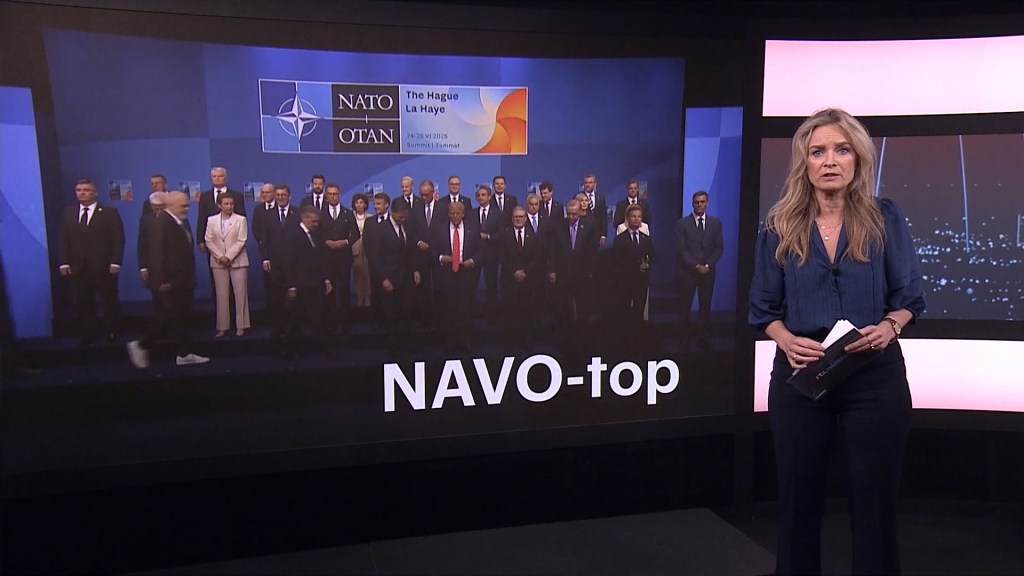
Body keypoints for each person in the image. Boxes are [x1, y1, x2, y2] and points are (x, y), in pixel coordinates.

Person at [749, 108, 926, 576]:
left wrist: (890, 327)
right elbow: (762, 309)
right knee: (798, 501)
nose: (830, 161)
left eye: (842, 150)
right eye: (818, 152)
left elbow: (910, 297)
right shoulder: (779, 225)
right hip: (802, 376)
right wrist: (786, 339)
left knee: (875, 504)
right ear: (804, 163)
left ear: (857, 159)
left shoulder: (885, 217)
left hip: (874, 377)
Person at [127, 191, 209, 367]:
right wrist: (163, 280)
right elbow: (157, 253)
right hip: (170, 282)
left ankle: (184, 353)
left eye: (187, 205)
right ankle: (142, 345)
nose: (187, 209)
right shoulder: (162, 222)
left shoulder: (180, 221)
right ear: (170, 205)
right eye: (183, 205)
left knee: (182, 318)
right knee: (171, 317)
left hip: (183, 280)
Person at [58, 178, 125, 345]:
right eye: (79, 190)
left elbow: (118, 239)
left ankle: (112, 332)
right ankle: (90, 333)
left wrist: (116, 262)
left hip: (104, 266)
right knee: (84, 302)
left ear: (95, 193)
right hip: (79, 267)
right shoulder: (69, 213)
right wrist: (64, 262)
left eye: (86, 190)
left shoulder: (109, 213)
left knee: (109, 301)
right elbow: (64, 239)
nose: (82, 193)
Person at [367, 199, 420, 352]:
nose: (403, 219)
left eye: (405, 217)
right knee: (391, 314)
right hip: (389, 279)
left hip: (406, 278)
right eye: (400, 217)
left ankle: (407, 345)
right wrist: (383, 278)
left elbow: (410, 251)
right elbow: (374, 257)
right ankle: (394, 347)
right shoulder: (380, 229)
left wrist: (415, 269)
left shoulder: (407, 226)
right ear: (393, 212)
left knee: (406, 311)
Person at [279, 206, 332, 357]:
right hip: (300, 284)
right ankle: (289, 351)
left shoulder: (315, 234)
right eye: (314, 221)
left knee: (317, 316)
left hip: (314, 283)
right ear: (304, 218)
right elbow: (288, 262)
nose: (316, 224)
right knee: (295, 319)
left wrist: (326, 279)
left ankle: (323, 350)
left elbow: (319, 259)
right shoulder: (293, 235)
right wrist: (291, 286)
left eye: (317, 222)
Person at [675, 190, 723, 348]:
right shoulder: (682, 224)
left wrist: (707, 265)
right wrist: (696, 266)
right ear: (692, 203)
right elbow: (681, 249)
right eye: (696, 202)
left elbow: (718, 248)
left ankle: (703, 338)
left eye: (702, 202)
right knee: (685, 306)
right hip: (688, 272)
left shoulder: (715, 224)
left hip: (708, 272)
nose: (699, 205)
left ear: (707, 203)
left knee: (705, 306)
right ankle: (683, 338)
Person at [432, 201, 482, 352]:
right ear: (448, 214)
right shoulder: (438, 229)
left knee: (465, 308)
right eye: (452, 213)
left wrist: (473, 260)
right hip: (446, 273)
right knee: (448, 308)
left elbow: (481, 249)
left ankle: (465, 340)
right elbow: (432, 249)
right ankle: (449, 341)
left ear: (463, 214)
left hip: (466, 273)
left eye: (457, 213)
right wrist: (441, 258)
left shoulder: (473, 228)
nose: (454, 216)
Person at [498, 206, 546, 348]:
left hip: (528, 280)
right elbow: (501, 256)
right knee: (509, 313)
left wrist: (525, 272)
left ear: (525, 219)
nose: (518, 219)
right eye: (516, 217)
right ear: (512, 218)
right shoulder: (504, 235)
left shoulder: (533, 236)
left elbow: (537, 257)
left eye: (521, 217)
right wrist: (514, 271)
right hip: (509, 280)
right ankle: (509, 344)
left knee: (527, 313)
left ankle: (526, 343)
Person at [204, 193, 250, 338]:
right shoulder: (211, 220)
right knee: (221, 296)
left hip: (238, 261)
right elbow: (208, 240)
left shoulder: (241, 220)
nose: (229, 206)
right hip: (218, 262)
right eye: (226, 204)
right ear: (219, 205)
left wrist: (228, 256)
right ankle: (222, 327)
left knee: (240, 294)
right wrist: (220, 256)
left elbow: (241, 240)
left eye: (231, 204)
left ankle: (241, 325)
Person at [261, 184, 300, 336]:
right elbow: (264, 238)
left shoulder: (297, 213)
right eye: (277, 195)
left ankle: (294, 331)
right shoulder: (268, 215)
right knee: (276, 299)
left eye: (283, 195)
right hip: (274, 264)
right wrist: (265, 258)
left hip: (294, 264)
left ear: (289, 196)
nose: (280, 197)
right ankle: (278, 330)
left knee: (294, 301)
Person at [611, 204, 655, 334]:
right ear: (628, 219)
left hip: (641, 281)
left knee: (639, 311)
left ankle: (638, 336)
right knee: (624, 311)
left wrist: (648, 264)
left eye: (639, 216)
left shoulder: (645, 239)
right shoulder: (620, 239)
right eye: (633, 216)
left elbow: (654, 256)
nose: (636, 219)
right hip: (625, 282)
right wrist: (636, 266)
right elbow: (616, 260)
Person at [321, 183, 359, 329]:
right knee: (328, 291)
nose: (332, 196)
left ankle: (345, 323)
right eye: (330, 194)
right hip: (327, 259)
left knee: (344, 290)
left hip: (344, 258)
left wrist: (345, 242)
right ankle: (329, 323)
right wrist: (326, 241)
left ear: (339, 195)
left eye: (335, 194)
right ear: (326, 196)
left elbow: (356, 234)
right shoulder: (321, 214)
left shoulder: (348, 213)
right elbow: (315, 234)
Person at [475, 184, 503, 325]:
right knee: (471, 287)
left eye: (483, 195)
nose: (481, 197)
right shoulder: (472, 213)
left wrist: (489, 237)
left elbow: (502, 233)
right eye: (479, 195)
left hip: (491, 255)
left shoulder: (497, 213)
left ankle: (492, 317)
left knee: (492, 287)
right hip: (475, 255)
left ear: (489, 197)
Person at [349, 193, 374, 317]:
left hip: (368, 249)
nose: (359, 205)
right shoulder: (350, 217)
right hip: (355, 250)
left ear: (365, 204)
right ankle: (359, 300)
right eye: (357, 203)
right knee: (358, 276)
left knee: (368, 276)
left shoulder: (371, 217)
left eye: (361, 202)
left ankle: (368, 300)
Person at [138, 191, 168, 289]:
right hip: (153, 267)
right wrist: (143, 267)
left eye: (161, 207)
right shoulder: (145, 220)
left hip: (171, 268)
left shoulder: (175, 219)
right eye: (156, 208)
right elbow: (142, 244)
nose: (159, 210)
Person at [581, 173, 609, 247]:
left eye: (590, 182)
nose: (588, 185)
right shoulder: (579, 197)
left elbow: (603, 217)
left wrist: (603, 235)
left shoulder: (601, 198)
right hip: (583, 235)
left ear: (595, 184)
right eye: (586, 183)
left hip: (597, 235)